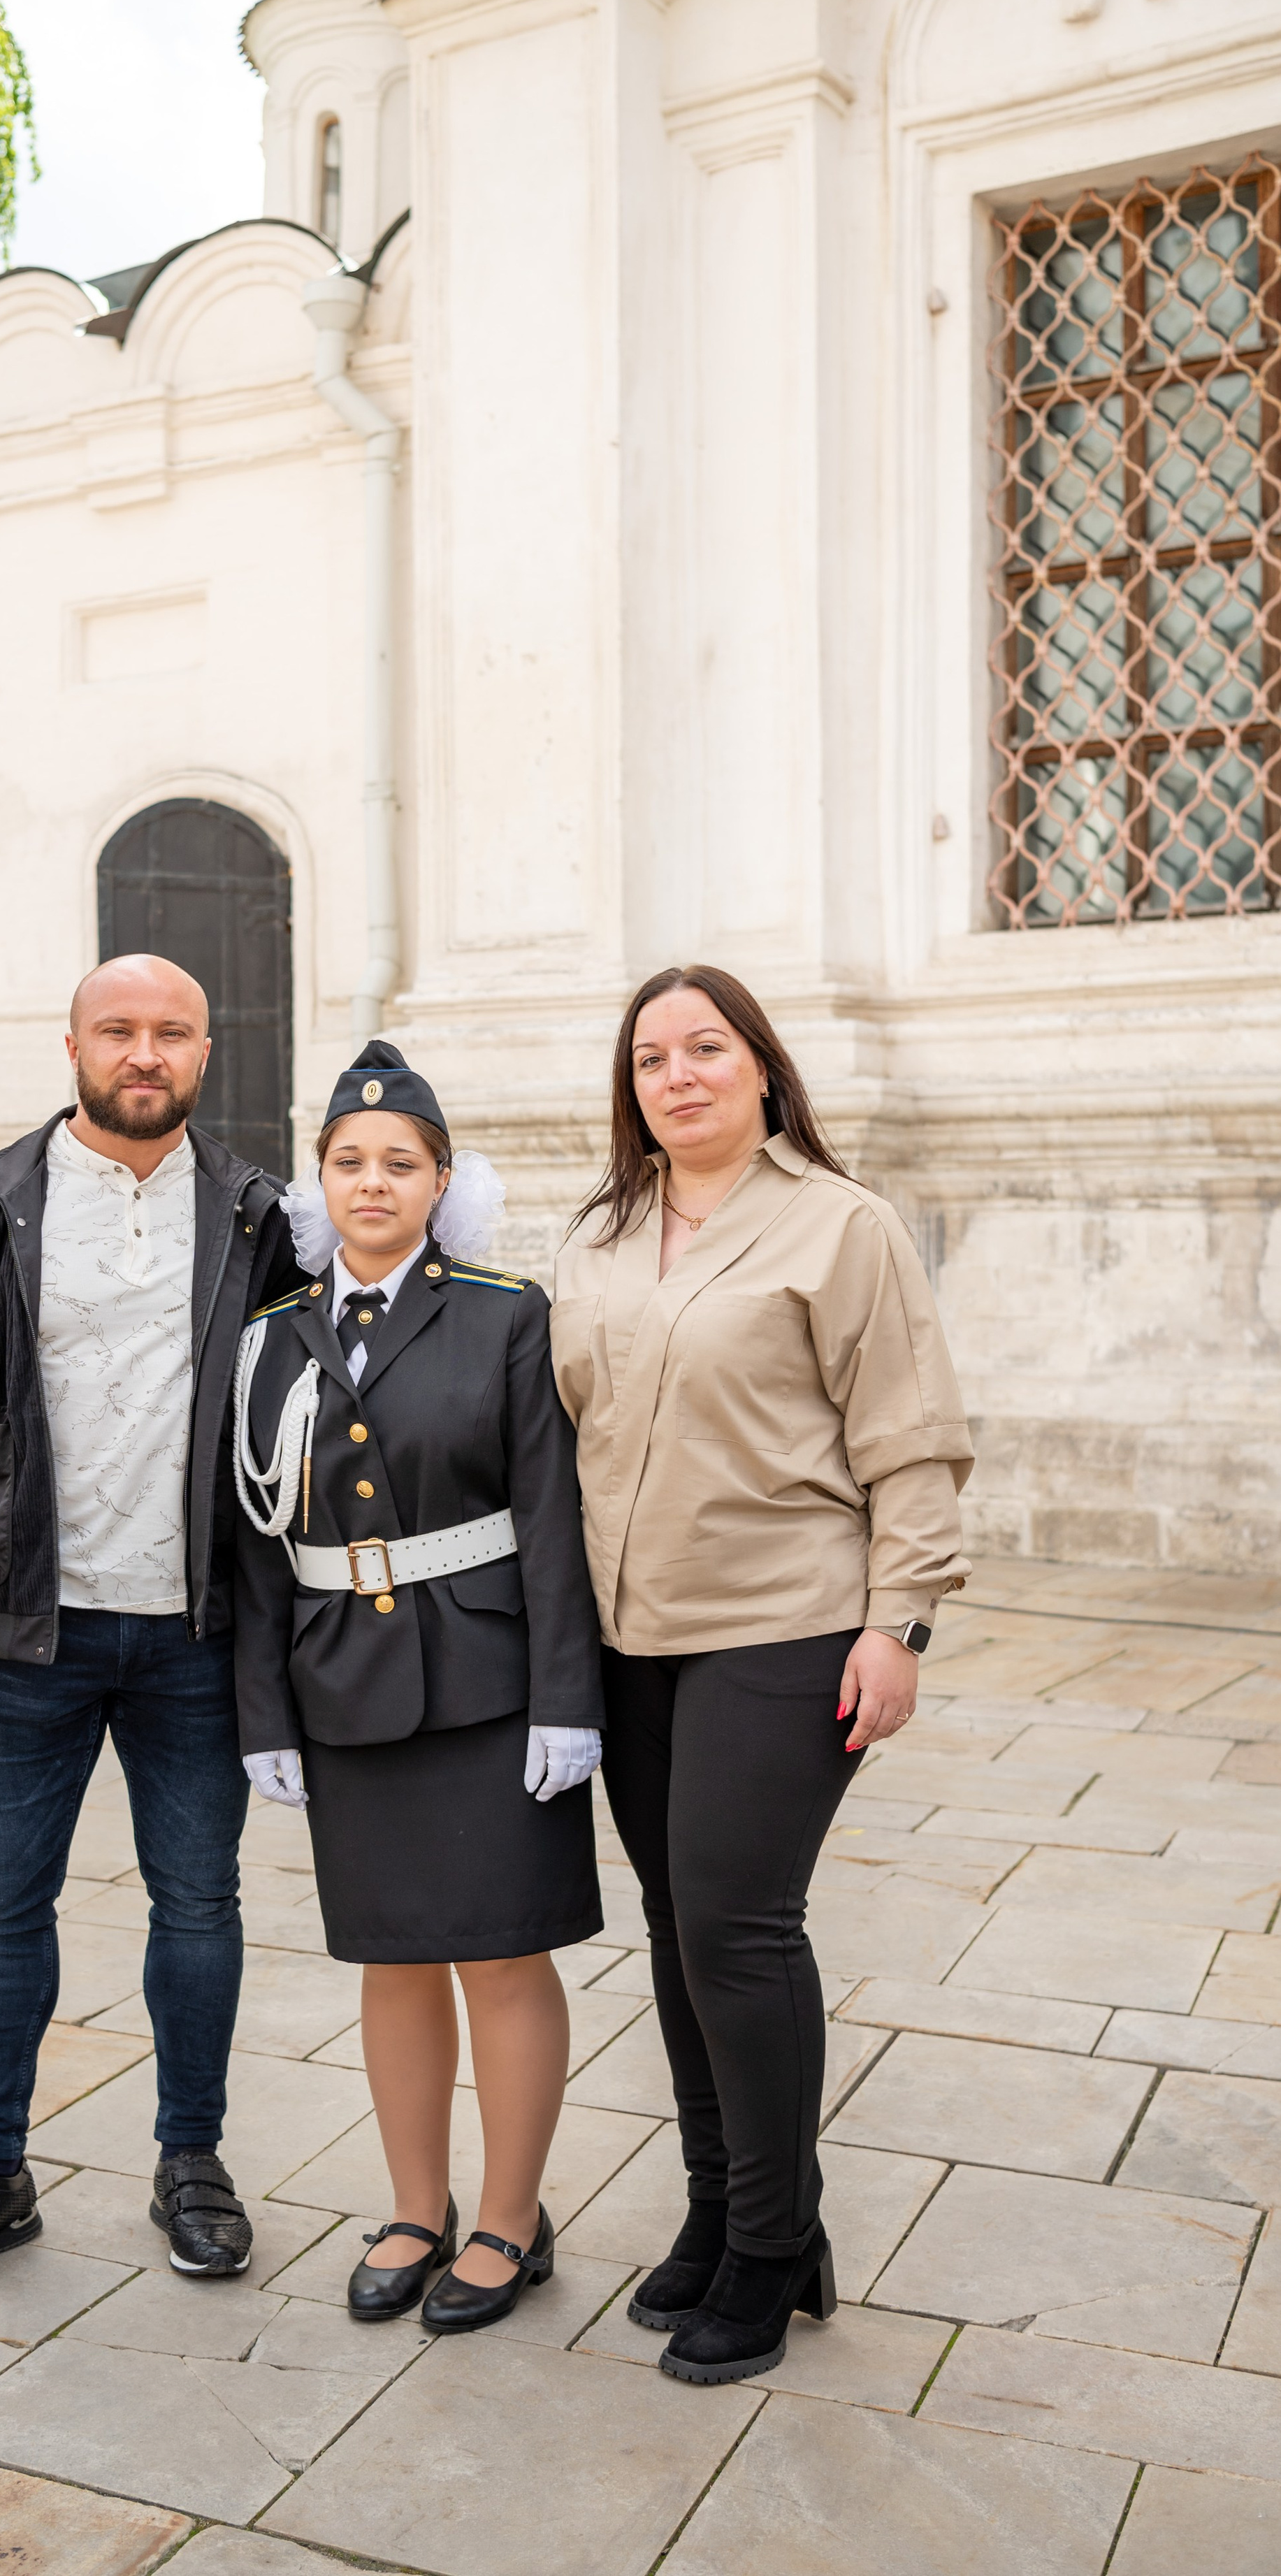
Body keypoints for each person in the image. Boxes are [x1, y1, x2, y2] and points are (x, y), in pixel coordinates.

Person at [0, 955, 301, 2293]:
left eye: (171, 1031)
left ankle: (192, 2159)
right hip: (19, 1631)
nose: (144, 1053)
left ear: (206, 1052)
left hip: (196, 1633)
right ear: (73, 1044)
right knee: (3, 1907)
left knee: (199, 1901)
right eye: (120, 1030)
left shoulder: (266, 1218)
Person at [551, 964, 972, 2387]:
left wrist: (896, 1622)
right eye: (650, 1057)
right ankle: (720, 2205)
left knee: (736, 1930)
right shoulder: (598, 1235)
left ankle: (771, 2243)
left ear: (760, 1069)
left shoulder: (838, 1226)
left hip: (785, 1626)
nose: (676, 1074)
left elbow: (909, 1435)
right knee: (676, 1931)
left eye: (704, 1048)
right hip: (629, 1638)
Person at [234, 1040, 604, 2332]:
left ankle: (509, 2217)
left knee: (503, 1953)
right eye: (349, 1160)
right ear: (317, 1180)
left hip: (495, 1681)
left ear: (443, 1182)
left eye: (401, 1162)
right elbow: (256, 1547)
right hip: (346, 1689)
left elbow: (553, 1518)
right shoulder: (272, 1338)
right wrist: (261, 1718)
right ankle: (414, 2203)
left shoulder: (506, 1311)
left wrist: (572, 1698)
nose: (373, 1180)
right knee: (392, 1958)